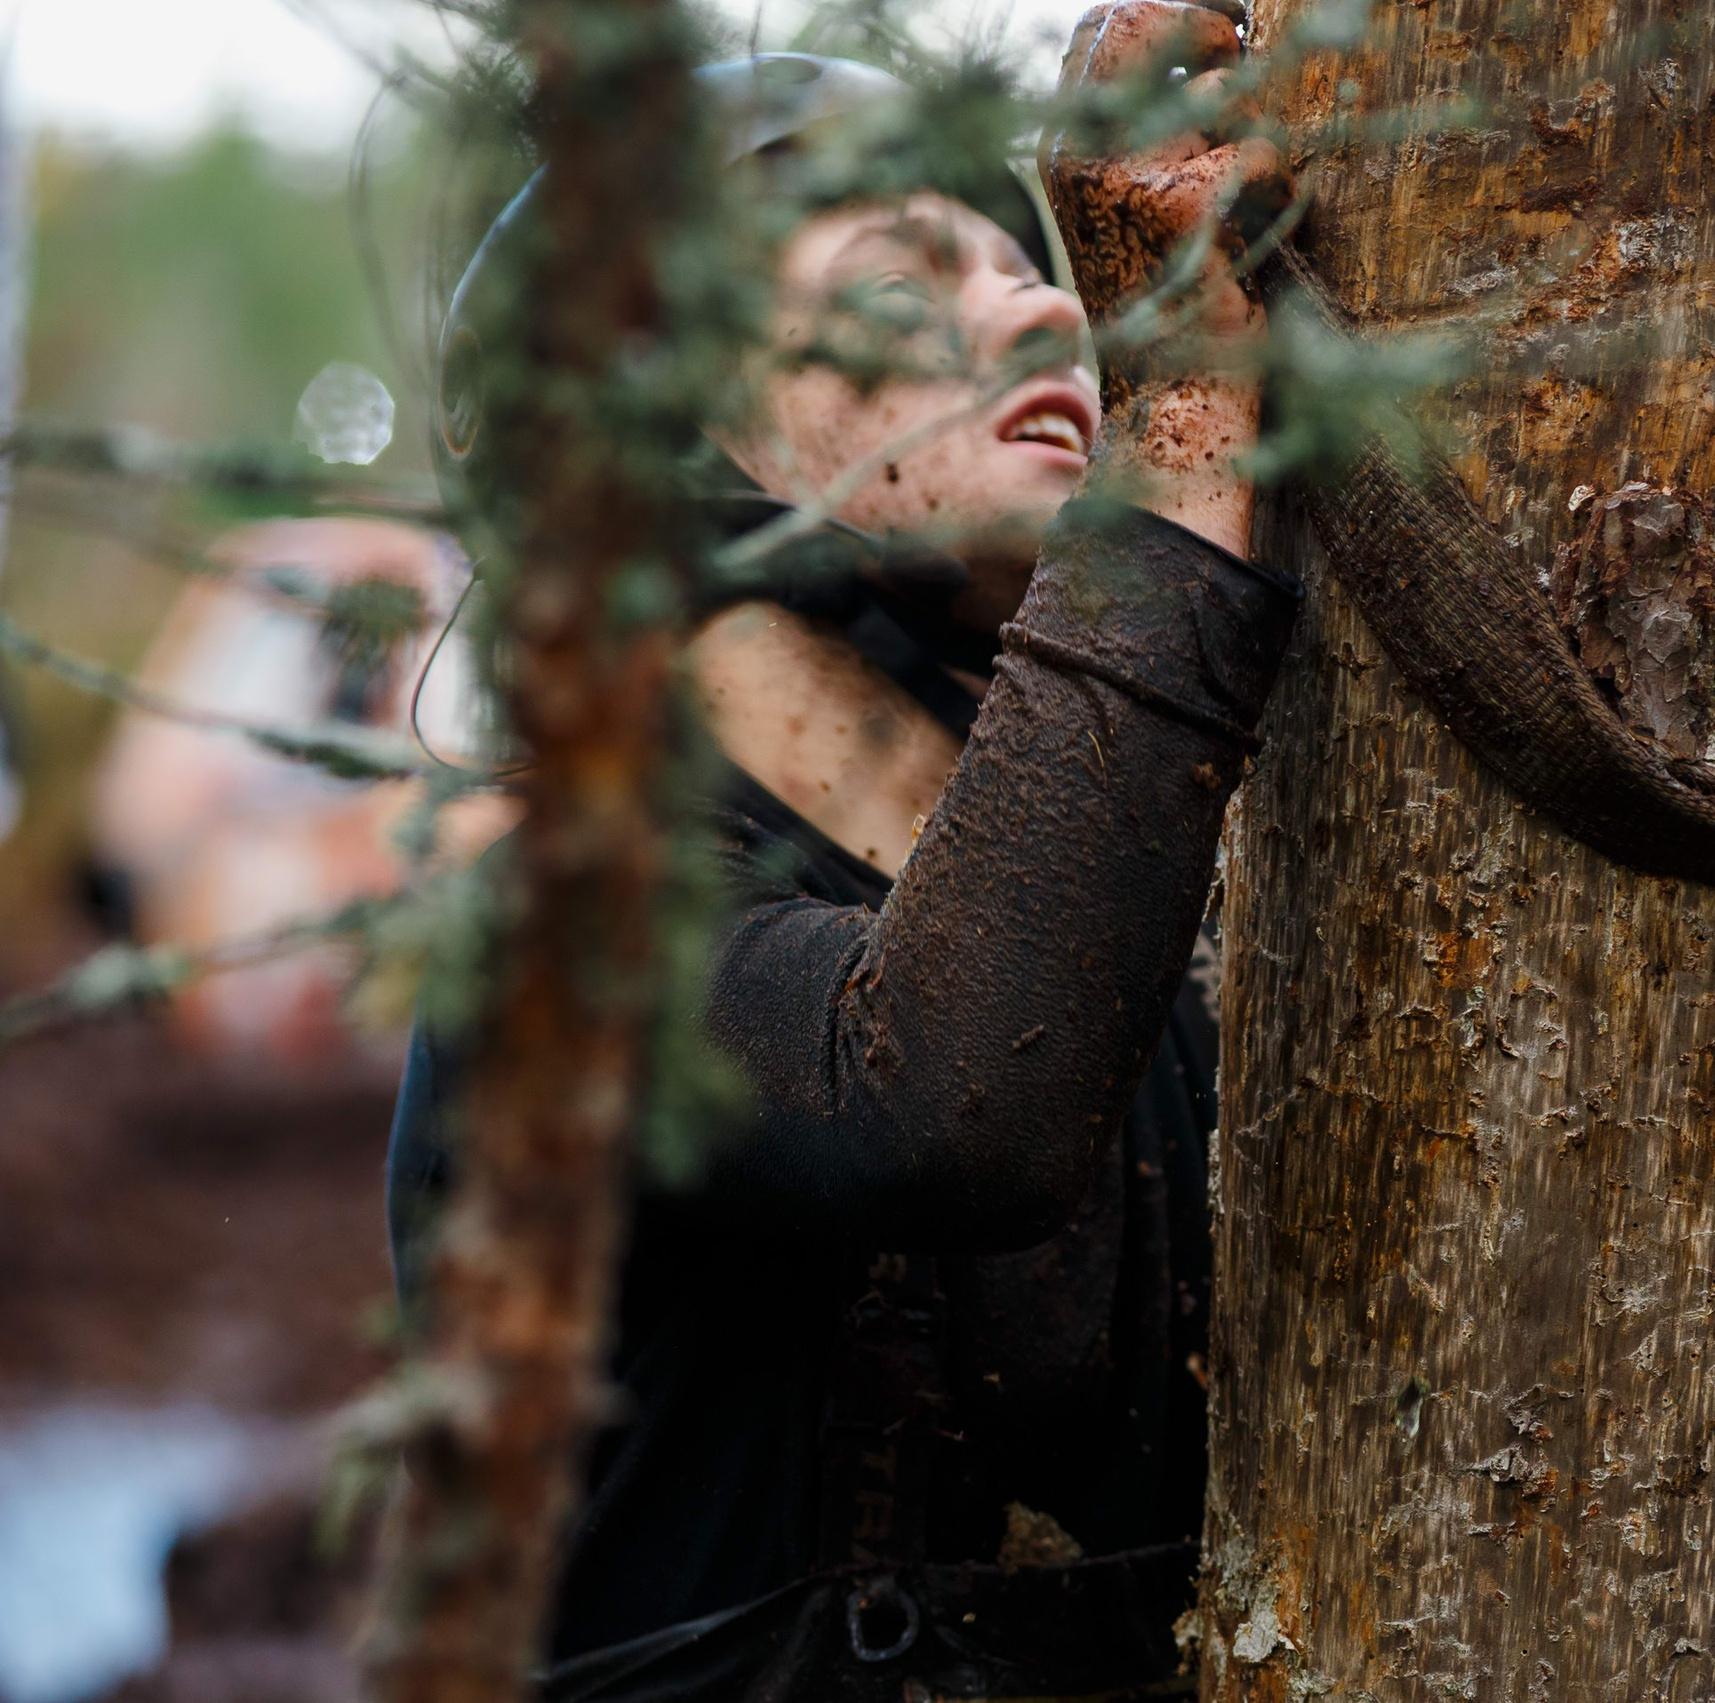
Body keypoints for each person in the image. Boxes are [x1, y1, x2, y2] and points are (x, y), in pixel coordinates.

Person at [388, 8, 1293, 1699]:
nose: (1048, 306)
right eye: (896, 287)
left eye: (1021, 269)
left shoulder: (1172, 925)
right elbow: (945, 1098)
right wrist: (1187, 436)